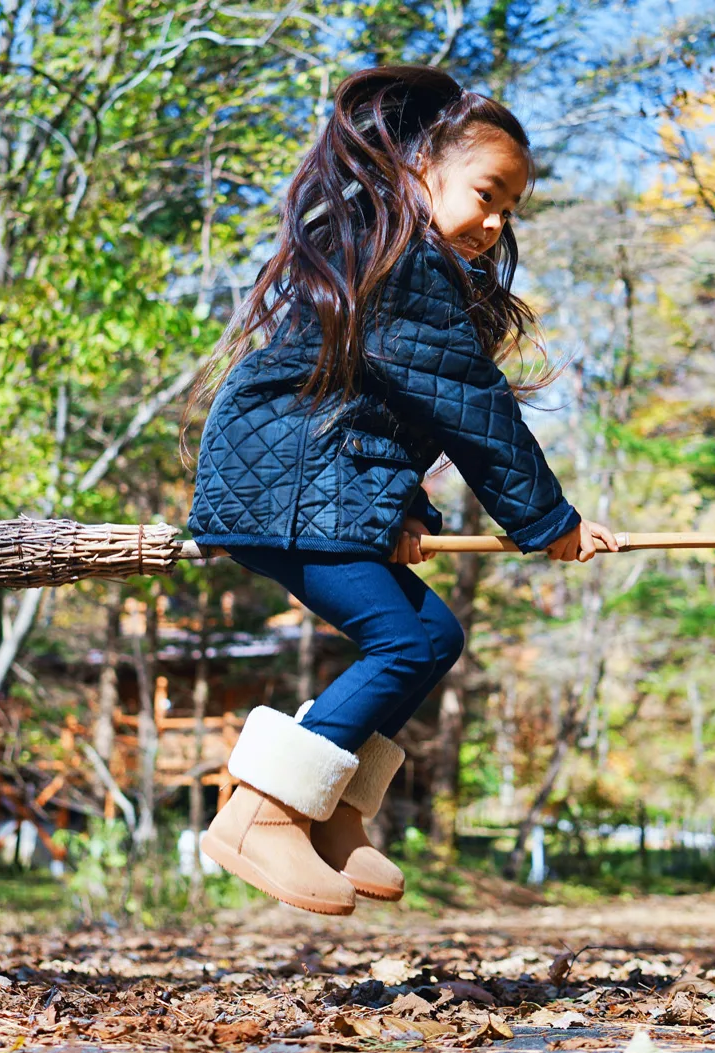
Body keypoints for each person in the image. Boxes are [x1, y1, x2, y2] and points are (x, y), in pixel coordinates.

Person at [185, 64, 615, 916]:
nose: (494, 224)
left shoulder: (398, 266)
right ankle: (262, 813)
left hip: (320, 482)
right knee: (403, 644)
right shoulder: (407, 267)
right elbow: (468, 406)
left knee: (434, 633)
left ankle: (335, 808)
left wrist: (405, 511)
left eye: (508, 211)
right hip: (287, 492)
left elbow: (380, 411)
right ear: (421, 170)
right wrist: (550, 522)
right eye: (486, 194)